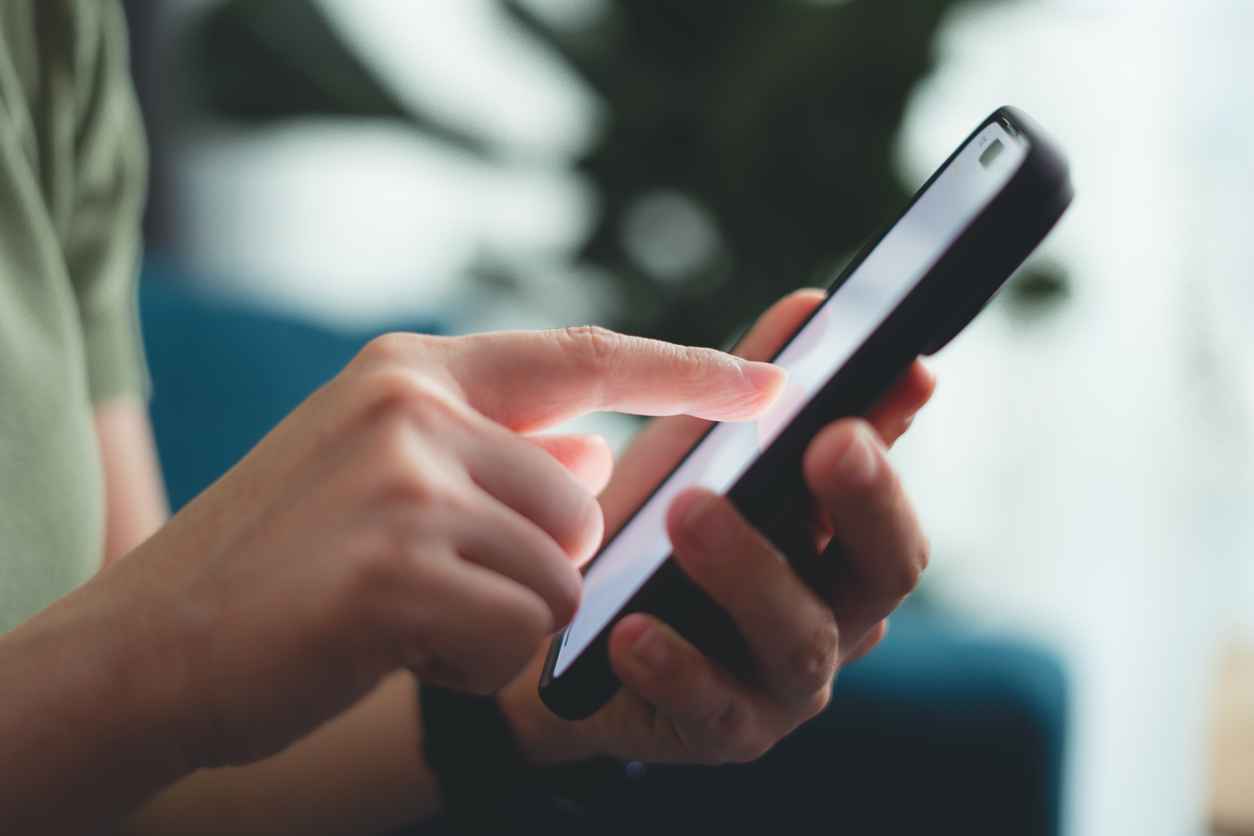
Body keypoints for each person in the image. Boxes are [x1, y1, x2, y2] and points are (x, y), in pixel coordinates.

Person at [0, 2, 936, 833]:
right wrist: (158, 650)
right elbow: (130, 693)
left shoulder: (49, 30)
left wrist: (524, 694)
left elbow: (132, 791)